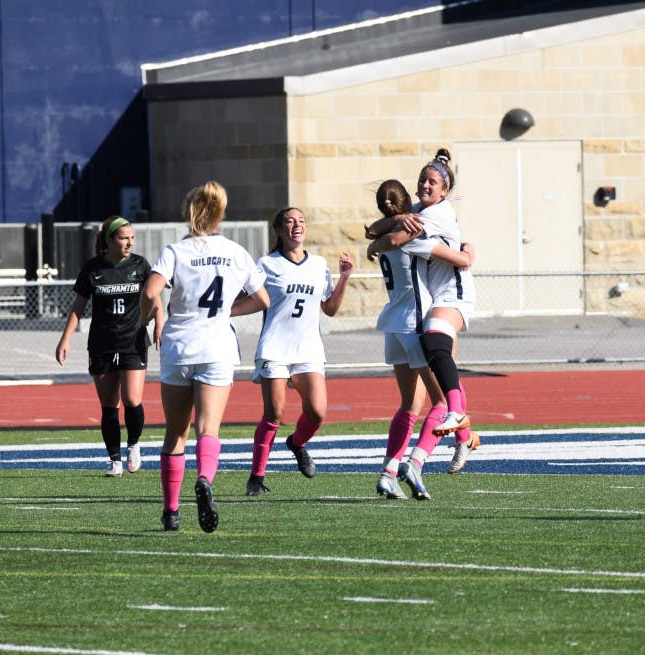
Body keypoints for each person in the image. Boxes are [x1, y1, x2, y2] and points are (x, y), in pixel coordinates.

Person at [141, 181, 269, 532]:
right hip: (217, 346)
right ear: (221, 214)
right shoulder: (235, 252)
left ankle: (170, 512)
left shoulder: (176, 251)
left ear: (189, 212)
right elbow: (262, 300)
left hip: (179, 346)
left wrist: (146, 318)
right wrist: (228, 311)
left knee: (175, 433)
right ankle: (205, 479)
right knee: (208, 428)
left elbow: (151, 290)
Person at [367, 178, 474, 499]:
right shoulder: (411, 231)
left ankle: (388, 472)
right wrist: (467, 249)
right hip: (416, 322)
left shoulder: (386, 231)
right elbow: (456, 257)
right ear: (407, 205)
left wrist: (374, 243)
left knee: (409, 406)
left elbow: (375, 236)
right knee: (441, 400)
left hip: (393, 324)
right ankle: (420, 460)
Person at [245, 207, 354, 496]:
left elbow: (329, 309)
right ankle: (256, 478)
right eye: (290, 222)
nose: (297, 225)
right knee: (274, 414)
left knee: (317, 412)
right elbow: (248, 297)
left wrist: (344, 277)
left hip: (307, 349)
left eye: (301, 221)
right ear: (279, 231)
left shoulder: (318, 265)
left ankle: (297, 443)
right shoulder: (266, 264)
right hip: (275, 348)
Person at [55, 216, 162, 477]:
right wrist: (65, 338)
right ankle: (114, 459)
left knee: (132, 399)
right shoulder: (93, 268)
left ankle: (134, 445)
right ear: (109, 240)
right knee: (109, 405)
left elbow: (155, 297)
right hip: (102, 343)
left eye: (132, 238)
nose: (129, 243)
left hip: (133, 340)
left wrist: (159, 324)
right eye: (124, 238)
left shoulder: (140, 265)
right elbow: (77, 308)